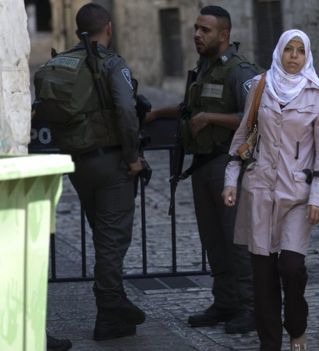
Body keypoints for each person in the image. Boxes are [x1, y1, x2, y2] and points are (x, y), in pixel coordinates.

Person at [33, 3, 145, 341]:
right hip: (111, 162)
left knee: (104, 234)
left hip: (78, 163)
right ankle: (109, 313)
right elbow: (126, 110)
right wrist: (133, 157)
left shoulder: (61, 62)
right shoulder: (111, 63)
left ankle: (119, 304)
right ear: (108, 28)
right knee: (112, 241)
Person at [223, 29, 319, 351]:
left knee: (291, 267)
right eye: (288, 49)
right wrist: (231, 179)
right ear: (279, 51)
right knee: (262, 279)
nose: (293, 56)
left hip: (297, 195)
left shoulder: (317, 95)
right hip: (259, 191)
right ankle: (270, 344)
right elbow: (243, 135)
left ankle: (297, 329)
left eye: (300, 51)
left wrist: (318, 197)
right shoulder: (262, 86)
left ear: (307, 56)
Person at [145, 5, 257, 334]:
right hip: (203, 165)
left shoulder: (240, 71)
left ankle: (251, 307)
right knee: (213, 241)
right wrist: (158, 115)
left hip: (230, 165)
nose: (197, 34)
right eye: (196, 28)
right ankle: (225, 302)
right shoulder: (204, 68)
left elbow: (255, 117)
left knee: (237, 243)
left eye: (205, 30)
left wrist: (212, 119)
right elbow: (191, 109)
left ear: (224, 34)